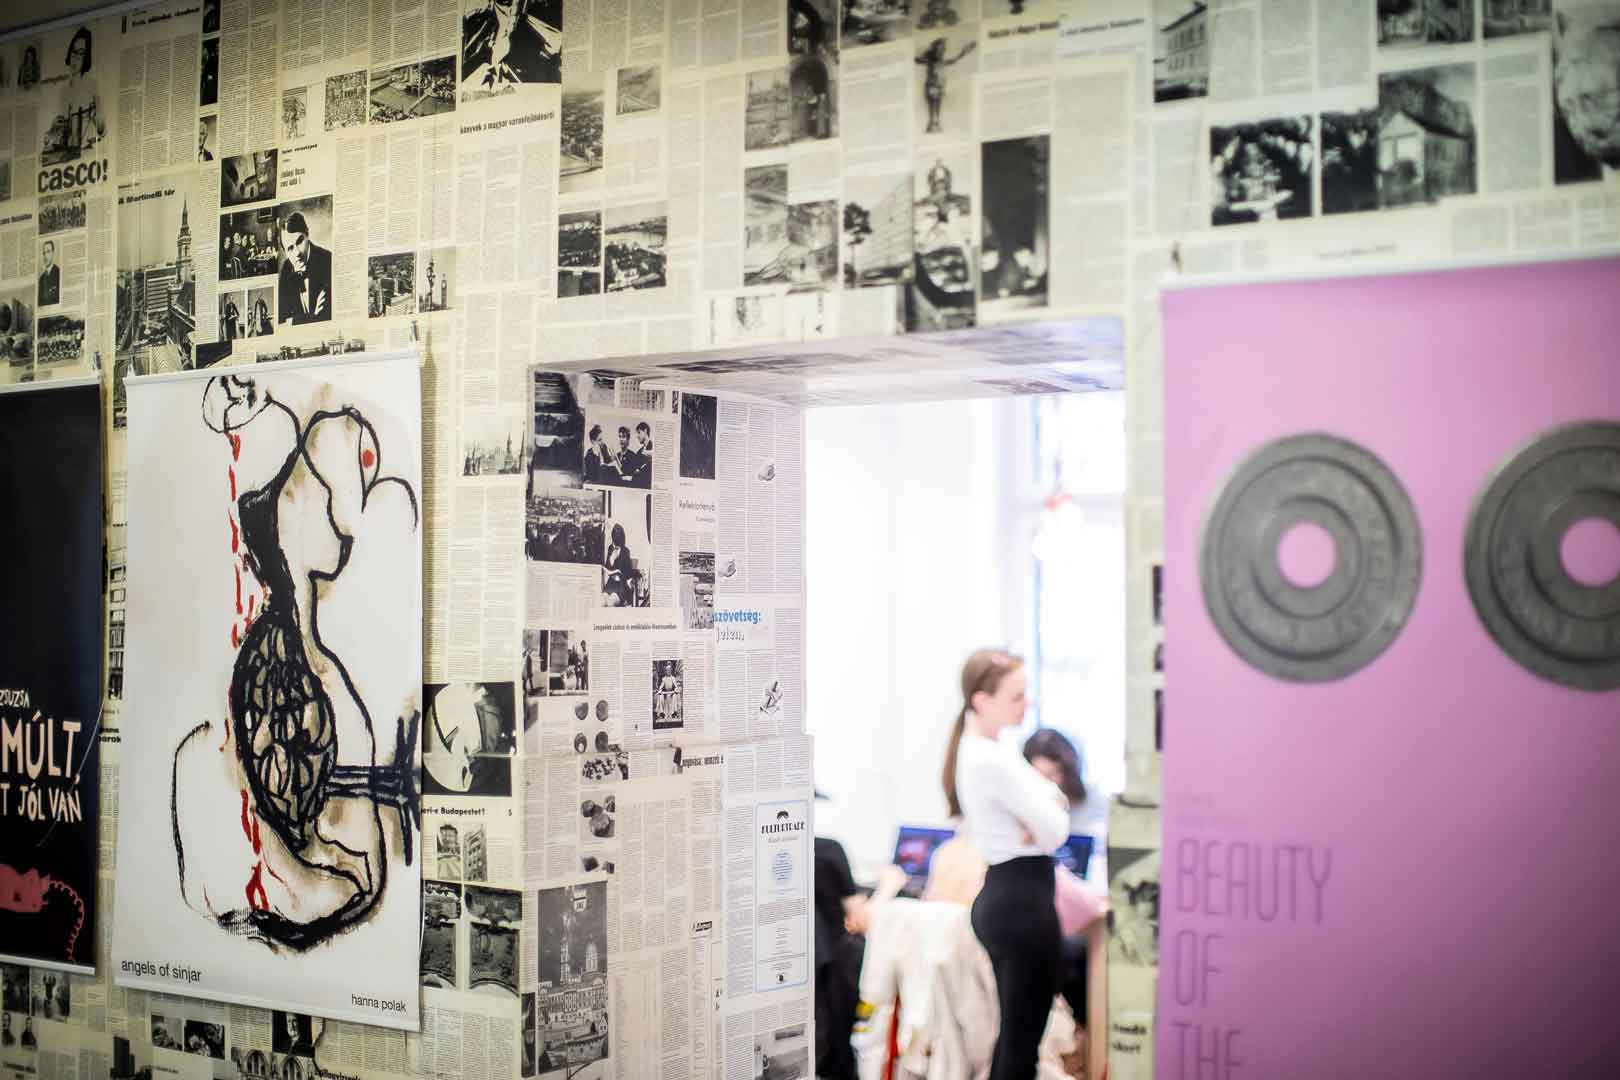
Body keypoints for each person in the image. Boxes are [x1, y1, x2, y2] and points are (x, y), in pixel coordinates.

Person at [943, 649, 1068, 1080]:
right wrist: (1050, 806)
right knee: (1020, 1047)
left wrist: (1051, 806)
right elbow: (1056, 830)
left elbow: (1054, 813)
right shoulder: (991, 759)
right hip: (1022, 905)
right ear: (981, 700)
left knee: (1015, 1042)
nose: (1026, 704)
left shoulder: (985, 751)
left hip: (1005, 896)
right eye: (1016, 696)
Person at [276, 211, 332, 325]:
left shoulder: (328, 260)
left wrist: (293, 321)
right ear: (285, 252)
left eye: (300, 241)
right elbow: (282, 320)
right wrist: (312, 317)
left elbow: (327, 317)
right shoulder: (286, 269)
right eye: (290, 248)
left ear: (307, 234)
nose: (297, 253)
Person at [603, 522, 636, 606]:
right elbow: (607, 567)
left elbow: (628, 572)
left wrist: (620, 573)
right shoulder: (610, 548)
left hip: (621, 585)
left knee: (611, 602)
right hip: (611, 584)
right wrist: (611, 559)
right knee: (602, 601)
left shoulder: (626, 551)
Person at [38, 240, 59, 305]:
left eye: (48, 252)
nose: (45, 256)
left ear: (53, 253)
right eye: (44, 253)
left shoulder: (59, 273)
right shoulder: (41, 278)